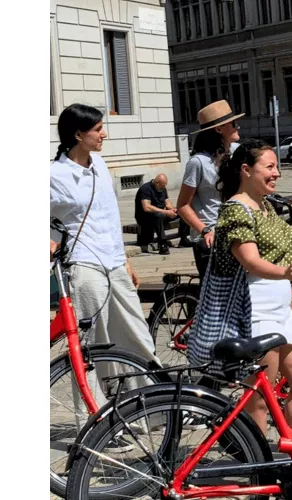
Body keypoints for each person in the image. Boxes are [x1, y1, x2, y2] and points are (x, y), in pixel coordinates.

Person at [193, 139, 292, 436]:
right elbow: (250, 261)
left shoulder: (265, 206)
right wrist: (287, 273)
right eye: (270, 167)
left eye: (277, 167)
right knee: (259, 397)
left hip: (279, 308)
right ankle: (259, 463)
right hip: (253, 311)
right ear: (246, 170)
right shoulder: (236, 210)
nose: (277, 173)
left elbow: (279, 256)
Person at [50, 104, 161, 405]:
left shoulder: (99, 165)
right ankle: (94, 420)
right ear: (78, 134)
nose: (104, 134)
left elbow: (111, 216)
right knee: (88, 345)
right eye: (98, 129)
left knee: (137, 334)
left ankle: (155, 406)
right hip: (83, 266)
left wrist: (125, 258)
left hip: (113, 262)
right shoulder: (54, 175)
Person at [176, 100, 242, 281]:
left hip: (237, 231)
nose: (238, 126)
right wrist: (205, 231)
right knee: (215, 298)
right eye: (233, 123)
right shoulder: (198, 163)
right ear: (219, 129)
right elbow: (182, 205)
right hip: (210, 237)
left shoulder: (237, 152)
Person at [134, 174, 190, 254]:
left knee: (183, 212)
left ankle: (184, 239)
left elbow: (167, 203)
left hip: (161, 213)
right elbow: (146, 207)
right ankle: (163, 244)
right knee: (158, 216)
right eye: (162, 186)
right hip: (145, 217)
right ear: (156, 183)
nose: (163, 188)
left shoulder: (162, 188)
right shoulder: (145, 189)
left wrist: (173, 210)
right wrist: (166, 212)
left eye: (164, 186)